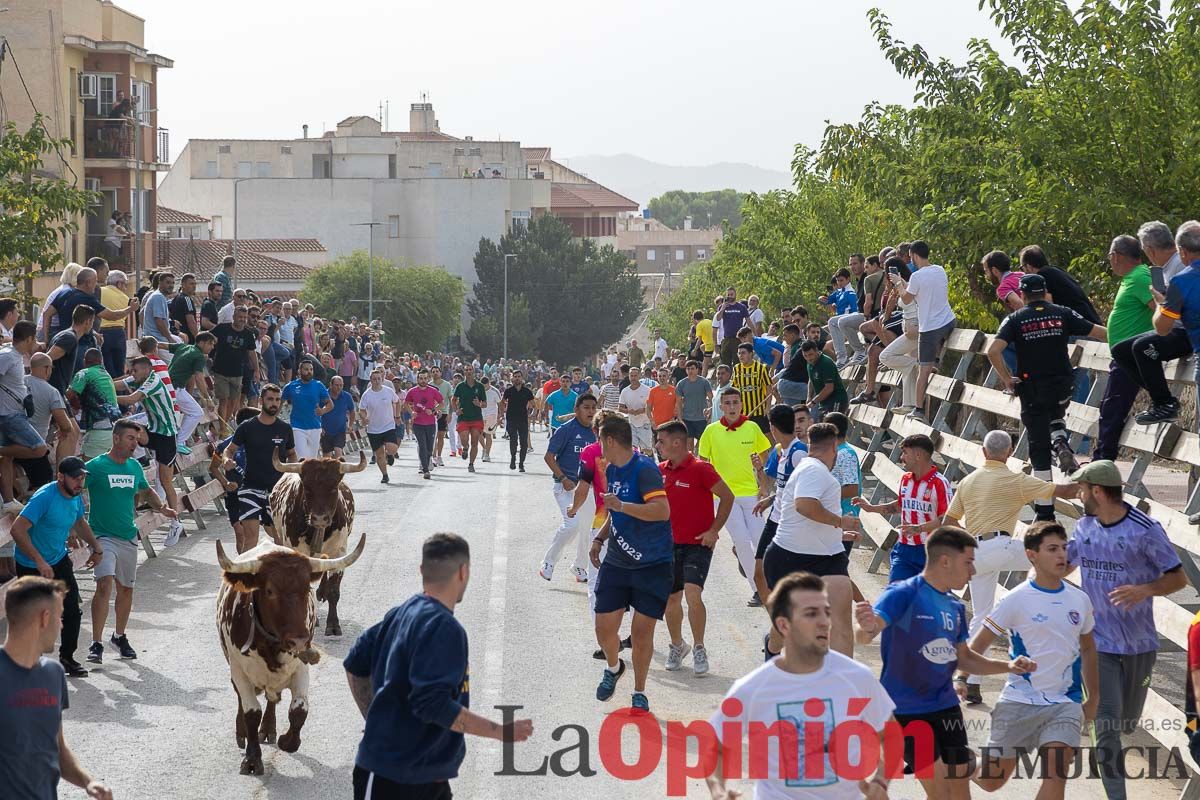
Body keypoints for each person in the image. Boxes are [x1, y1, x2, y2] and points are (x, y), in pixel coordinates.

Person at [344, 532, 533, 800]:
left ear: (423, 570)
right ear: (463, 572)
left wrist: (374, 717)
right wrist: (500, 731)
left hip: (428, 779)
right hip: (393, 779)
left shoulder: (400, 613)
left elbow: (355, 663)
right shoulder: (445, 628)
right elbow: (432, 704)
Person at [855, 526, 1037, 799]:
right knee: (941, 793)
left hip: (947, 709)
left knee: (960, 795)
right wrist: (865, 625)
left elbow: (964, 657)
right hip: (907, 711)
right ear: (945, 561)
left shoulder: (956, 607)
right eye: (968, 563)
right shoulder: (903, 593)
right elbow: (865, 635)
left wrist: (1007, 667)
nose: (973, 571)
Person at [705, 573, 896, 800]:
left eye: (826, 612)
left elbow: (891, 735)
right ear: (784, 625)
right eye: (811, 614)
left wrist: (881, 781)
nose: (824, 622)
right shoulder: (753, 688)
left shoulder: (857, 678)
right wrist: (718, 792)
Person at [1066, 459, 1186, 800]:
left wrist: (1144, 589)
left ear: (1098, 491)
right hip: (1096, 643)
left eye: (1082, 489)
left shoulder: (1145, 530)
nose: (1079, 494)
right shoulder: (1084, 526)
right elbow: (1064, 564)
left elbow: (1179, 578)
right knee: (1105, 726)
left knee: (1125, 723)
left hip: (1139, 645)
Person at [942, 429, 1078, 704]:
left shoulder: (968, 481)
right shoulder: (1016, 479)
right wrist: (1085, 481)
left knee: (981, 615)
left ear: (983, 451)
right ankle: (1045, 607)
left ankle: (972, 681)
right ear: (1010, 452)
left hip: (976, 552)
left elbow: (949, 520)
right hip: (1002, 545)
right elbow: (1061, 492)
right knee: (1048, 559)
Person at [967, 521, 1099, 799]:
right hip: (1019, 701)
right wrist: (959, 679)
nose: (1061, 555)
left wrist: (1093, 698)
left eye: (1064, 548)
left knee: (1056, 774)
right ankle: (960, 763)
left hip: (1065, 703)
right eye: (1052, 549)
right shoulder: (1015, 600)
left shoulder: (1080, 600)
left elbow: (1088, 649)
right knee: (992, 781)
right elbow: (975, 648)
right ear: (1031, 555)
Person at [987, 273, 1106, 518]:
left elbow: (993, 351)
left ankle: (1045, 512)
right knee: (1056, 413)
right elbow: (1099, 332)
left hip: (1032, 389)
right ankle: (1061, 440)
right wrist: (1128, 339)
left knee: (1039, 451)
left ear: (1022, 294)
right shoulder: (1062, 313)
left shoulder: (1015, 319)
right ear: (1045, 292)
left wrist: (1007, 378)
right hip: (1062, 384)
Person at [1, 576, 114, 800]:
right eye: (60, 617)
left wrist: (88, 782)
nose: (62, 625)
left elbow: (57, 748)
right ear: (45, 618)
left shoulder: (53, 674)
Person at [588, 414, 672, 713]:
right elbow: (615, 513)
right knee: (603, 627)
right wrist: (599, 538)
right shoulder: (612, 470)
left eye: (600, 440)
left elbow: (661, 511)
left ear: (610, 440)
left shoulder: (644, 470)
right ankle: (613, 668)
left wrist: (622, 506)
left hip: (653, 563)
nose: (598, 446)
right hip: (618, 561)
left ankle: (639, 691)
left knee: (640, 633)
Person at [85, 418, 176, 665]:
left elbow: (145, 491)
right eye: (130, 438)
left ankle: (119, 636)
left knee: (126, 589)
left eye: (136, 439)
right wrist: (72, 527)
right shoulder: (95, 467)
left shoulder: (134, 466)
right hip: (102, 537)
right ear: (116, 438)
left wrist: (163, 508)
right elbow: (74, 490)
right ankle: (96, 643)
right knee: (104, 584)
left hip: (128, 535)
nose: (135, 443)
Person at [763, 422, 859, 656]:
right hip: (791, 557)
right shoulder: (813, 469)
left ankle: (840, 685)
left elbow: (809, 513)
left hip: (828, 557)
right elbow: (805, 506)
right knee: (790, 626)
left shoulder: (814, 470)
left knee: (840, 624)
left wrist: (837, 532)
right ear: (834, 446)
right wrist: (840, 522)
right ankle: (772, 651)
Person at [9, 457, 104, 677]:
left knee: (71, 610)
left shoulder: (75, 495)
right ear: (60, 477)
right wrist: (39, 561)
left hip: (58, 559)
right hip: (30, 564)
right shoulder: (44, 497)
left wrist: (96, 548)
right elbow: (17, 530)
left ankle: (67, 658)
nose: (79, 482)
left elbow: (79, 521)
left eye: (82, 477)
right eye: (75, 478)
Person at [655, 420, 733, 676]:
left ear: (677, 443)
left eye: (661, 441)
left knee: (692, 594)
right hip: (668, 545)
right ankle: (678, 645)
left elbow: (727, 496)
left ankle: (699, 647)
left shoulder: (701, 469)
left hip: (698, 544)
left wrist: (714, 531)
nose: (658, 445)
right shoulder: (659, 470)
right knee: (670, 600)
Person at [1111, 220, 1193, 424]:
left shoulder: (1179, 264)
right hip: (1174, 327)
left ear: (1149, 249)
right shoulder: (1163, 267)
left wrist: (1163, 304)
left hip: (1187, 330)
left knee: (1142, 347)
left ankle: (1164, 404)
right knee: (1121, 350)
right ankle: (1164, 399)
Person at [698, 388, 772, 599]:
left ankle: (769, 582)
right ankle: (758, 589)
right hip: (723, 498)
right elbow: (703, 464)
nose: (732, 407)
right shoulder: (710, 431)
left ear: (741, 404)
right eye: (727, 403)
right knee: (741, 541)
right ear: (720, 406)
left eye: (735, 402)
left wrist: (762, 482)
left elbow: (764, 459)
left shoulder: (752, 428)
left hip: (751, 494)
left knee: (760, 540)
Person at [852, 434, 950, 583]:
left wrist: (919, 528)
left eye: (905, 452)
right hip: (904, 548)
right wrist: (871, 508)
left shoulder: (939, 483)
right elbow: (900, 505)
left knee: (924, 602)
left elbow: (946, 519)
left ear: (918, 455)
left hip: (931, 551)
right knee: (896, 595)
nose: (901, 457)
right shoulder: (905, 479)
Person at [753, 404, 809, 658]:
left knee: (778, 579)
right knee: (759, 575)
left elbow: (804, 491)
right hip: (775, 516)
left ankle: (783, 630)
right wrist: (771, 499)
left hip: (787, 524)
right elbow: (786, 488)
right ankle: (779, 626)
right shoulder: (783, 451)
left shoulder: (799, 454)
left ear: (773, 429)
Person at [114, 355, 186, 546]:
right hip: (153, 431)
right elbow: (119, 384)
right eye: (131, 371)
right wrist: (102, 384)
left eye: (135, 371)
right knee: (131, 428)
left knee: (165, 481)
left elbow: (131, 399)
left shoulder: (153, 381)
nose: (132, 374)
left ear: (146, 369)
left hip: (167, 436)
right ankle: (129, 461)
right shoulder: (140, 377)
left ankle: (176, 522)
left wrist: (105, 396)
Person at [1093, 235, 1155, 460]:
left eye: (1110, 257)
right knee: (1110, 408)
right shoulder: (1133, 277)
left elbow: (1161, 307)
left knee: (1112, 410)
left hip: (1131, 357)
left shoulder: (1140, 276)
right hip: (1123, 355)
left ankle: (1102, 465)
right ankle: (1101, 462)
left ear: (1116, 255)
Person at [222, 384, 296, 552]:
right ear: (261, 400)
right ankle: (244, 577)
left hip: (277, 491)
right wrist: (226, 460)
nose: (274, 403)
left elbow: (292, 454)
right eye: (270, 399)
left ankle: (280, 576)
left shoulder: (285, 429)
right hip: (250, 488)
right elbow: (230, 450)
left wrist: (293, 471)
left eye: (278, 400)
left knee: (280, 540)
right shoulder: (247, 426)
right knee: (250, 540)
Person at [888, 240, 955, 421]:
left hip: (930, 328)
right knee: (930, 356)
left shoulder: (917, 277)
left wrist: (898, 284)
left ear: (915, 255)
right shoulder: (940, 270)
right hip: (948, 321)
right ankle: (937, 358)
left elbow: (907, 299)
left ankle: (918, 408)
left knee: (922, 370)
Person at [539, 393, 599, 583]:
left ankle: (579, 566)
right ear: (577, 410)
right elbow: (549, 457)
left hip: (589, 488)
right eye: (586, 407)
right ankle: (548, 562)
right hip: (566, 486)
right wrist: (563, 478)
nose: (590, 411)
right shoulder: (566, 430)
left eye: (593, 408)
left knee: (587, 528)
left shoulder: (598, 431)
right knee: (572, 525)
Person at [165, 333, 216, 450]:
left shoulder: (184, 347)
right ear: (201, 342)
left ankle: (179, 442)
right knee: (196, 413)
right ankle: (179, 442)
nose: (212, 347)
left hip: (169, 386)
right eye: (210, 343)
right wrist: (207, 399)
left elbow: (163, 345)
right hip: (175, 388)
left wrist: (150, 344)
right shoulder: (199, 356)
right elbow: (199, 377)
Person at [66, 348, 119, 460]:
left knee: (88, 469)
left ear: (85, 361)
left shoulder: (84, 373)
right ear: (101, 361)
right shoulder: (106, 375)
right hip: (114, 430)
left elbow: (68, 395)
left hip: (98, 430)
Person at [211, 306, 258, 426]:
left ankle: (225, 424)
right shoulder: (222, 328)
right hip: (221, 370)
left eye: (244, 317)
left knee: (233, 401)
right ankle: (222, 428)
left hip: (238, 372)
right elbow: (208, 338)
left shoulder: (248, 334)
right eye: (239, 317)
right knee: (223, 400)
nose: (242, 319)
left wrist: (256, 370)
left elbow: (252, 353)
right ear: (233, 317)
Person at [281, 359, 333, 460]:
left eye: (311, 369)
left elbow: (330, 404)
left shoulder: (318, 385)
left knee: (312, 459)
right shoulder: (291, 386)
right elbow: (280, 402)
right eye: (306, 369)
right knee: (302, 458)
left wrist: (322, 411)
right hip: (297, 427)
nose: (309, 371)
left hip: (315, 427)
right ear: (299, 371)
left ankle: (311, 476)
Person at [359, 369, 399, 484]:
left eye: (379, 379)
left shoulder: (388, 391)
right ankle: (385, 475)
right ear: (370, 380)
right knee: (379, 455)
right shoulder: (367, 395)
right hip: (373, 429)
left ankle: (389, 454)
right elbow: (361, 410)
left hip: (388, 426)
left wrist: (397, 416)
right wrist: (364, 417)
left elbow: (397, 402)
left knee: (392, 448)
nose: (377, 381)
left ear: (382, 379)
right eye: (374, 379)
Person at [730, 342, 777, 433]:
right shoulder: (736, 368)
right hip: (742, 412)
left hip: (759, 411)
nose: (740, 356)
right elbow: (734, 389)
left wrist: (767, 407)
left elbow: (768, 388)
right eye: (739, 353)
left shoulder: (761, 368)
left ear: (751, 354)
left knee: (766, 435)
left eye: (743, 353)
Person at [451, 364, 487, 473]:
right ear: (464, 372)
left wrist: (479, 404)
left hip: (476, 418)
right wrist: (456, 410)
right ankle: (465, 448)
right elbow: (453, 400)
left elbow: (485, 404)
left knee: (475, 441)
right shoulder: (460, 386)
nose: (468, 371)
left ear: (474, 371)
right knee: (464, 438)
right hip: (463, 417)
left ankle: (471, 464)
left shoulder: (480, 386)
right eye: (466, 370)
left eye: (470, 369)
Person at [821, 267, 860, 366]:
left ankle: (842, 357)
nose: (839, 283)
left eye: (842, 280)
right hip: (839, 322)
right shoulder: (839, 292)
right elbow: (828, 300)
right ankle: (840, 358)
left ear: (848, 279)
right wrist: (821, 298)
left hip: (847, 322)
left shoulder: (850, 293)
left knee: (831, 321)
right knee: (823, 328)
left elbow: (855, 310)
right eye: (838, 281)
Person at [801, 339, 848, 421]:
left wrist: (814, 401)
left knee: (834, 427)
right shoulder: (810, 364)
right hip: (824, 403)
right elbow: (811, 380)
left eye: (811, 354)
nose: (808, 358)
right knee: (825, 429)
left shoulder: (826, 363)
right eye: (805, 356)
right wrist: (809, 397)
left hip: (836, 400)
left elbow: (829, 388)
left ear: (816, 351)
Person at [674, 359, 712, 453]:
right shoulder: (681, 384)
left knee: (702, 442)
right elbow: (678, 402)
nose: (690, 371)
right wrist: (679, 418)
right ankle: (691, 462)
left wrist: (710, 413)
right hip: (687, 418)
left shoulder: (704, 382)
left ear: (697, 369)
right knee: (688, 442)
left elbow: (711, 399)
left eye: (692, 368)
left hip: (701, 418)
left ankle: (699, 459)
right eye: (688, 369)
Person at [99, 270, 131, 376]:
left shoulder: (99, 291)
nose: (125, 288)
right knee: (120, 368)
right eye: (125, 285)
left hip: (101, 333)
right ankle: (120, 391)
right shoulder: (126, 299)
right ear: (119, 283)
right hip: (118, 333)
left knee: (106, 368)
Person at [320, 375, 357, 458]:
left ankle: (339, 470)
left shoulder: (347, 396)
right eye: (336, 385)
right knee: (327, 457)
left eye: (341, 385)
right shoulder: (324, 395)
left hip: (340, 431)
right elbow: (317, 411)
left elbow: (352, 411)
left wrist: (350, 425)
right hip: (326, 431)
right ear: (331, 385)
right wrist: (319, 426)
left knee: (338, 451)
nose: (339, 387)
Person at [714, 287, 750, 366]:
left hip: (738, 339)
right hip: (726, 339)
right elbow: (718, 318)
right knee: (725, 363)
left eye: (731, 294)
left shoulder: (741, 307)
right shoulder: (722, 307)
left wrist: (755, 333)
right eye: (728, 295)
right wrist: (723, 308)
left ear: (735, 295)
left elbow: (748, 321)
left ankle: (737, 377)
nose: (730, 296)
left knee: (738, 362)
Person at [430, 366, 454, 468]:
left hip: (443, 412)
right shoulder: (429, 385)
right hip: (432, 413)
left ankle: (439, 456)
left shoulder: (447, 385)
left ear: (440, 373)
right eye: (433, 372)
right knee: (433, 437)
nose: (435, 373)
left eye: (437, 371)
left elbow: (451, 399)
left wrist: (450, 414)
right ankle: (433, 457)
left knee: (441, 436)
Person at [141, 272, 175, 342]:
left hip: (157, 337)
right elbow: (159, 322)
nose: (171, 285)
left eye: (173, 283)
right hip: (157, 339)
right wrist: (170, 339)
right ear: (160, 283)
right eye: (168, 282)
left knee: (182, 339)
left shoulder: (159, 296)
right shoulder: (158, 296)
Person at [168, 272, 199, 343]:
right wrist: (198, 338)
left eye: (195, 284)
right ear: (183, 285)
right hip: (187, 338)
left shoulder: (176, 298)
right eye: (191, 284)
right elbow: (191, 322)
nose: (194, 286)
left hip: (178, 338)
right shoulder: (186, 299)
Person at [480, 376, 502, 463]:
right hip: (480, 414)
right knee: (478, 434)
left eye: (485, 386)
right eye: (483, 386)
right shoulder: (478, 390)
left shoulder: (495, 391)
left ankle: (487, 455)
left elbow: (500, 403)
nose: (484, 388)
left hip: (492, 414)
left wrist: (500, 416)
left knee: (488, 434)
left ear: (489, 383)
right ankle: (485, 448)